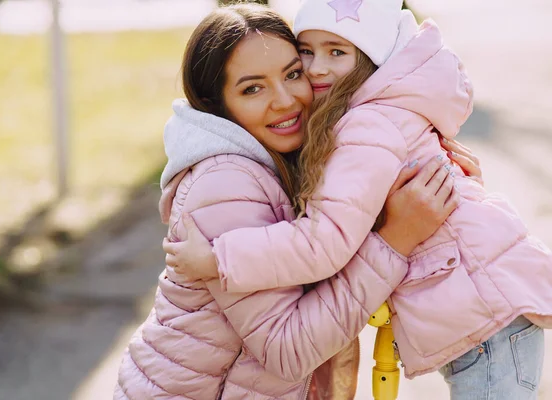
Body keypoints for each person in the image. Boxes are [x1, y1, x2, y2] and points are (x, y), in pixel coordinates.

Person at [164, 0, 552, 398]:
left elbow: (324, 238)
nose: (310, 75)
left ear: (372, 58)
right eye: (308, 54)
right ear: (216, 104)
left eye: (293, 73)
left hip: (487, 319)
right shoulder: (226, 184)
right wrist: (398, 234)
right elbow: (323, 254)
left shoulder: (363, 125)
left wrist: (220, 259)